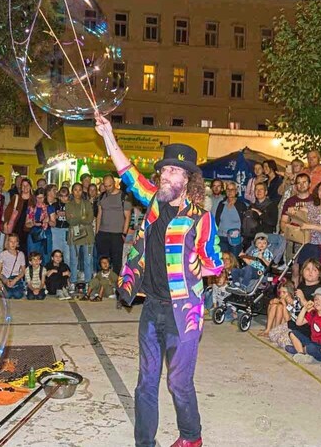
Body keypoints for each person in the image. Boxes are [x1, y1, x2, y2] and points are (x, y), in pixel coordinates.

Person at [96, 115, 223, 447]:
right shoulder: (154, 201)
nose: (164, 175)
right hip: (152, 308)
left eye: (171, 171)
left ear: (187, 179)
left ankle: (191, 437)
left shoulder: (201, 218)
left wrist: (202, 264)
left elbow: (216, 261)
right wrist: (108, 135)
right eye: (163, 171)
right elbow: (128, 173)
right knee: (145, 384)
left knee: (178, 384)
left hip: (184, 314)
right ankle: (144, 443)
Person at [286, 287, 321, 363]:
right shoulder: (312, 313)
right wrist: (304, 309)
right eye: (316, 299)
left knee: (311, 348)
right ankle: (301, 353)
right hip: (314, 344)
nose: (318, 301)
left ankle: (301, 349)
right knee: (292, 333)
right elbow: (298, 323)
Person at [96, 173, 132, 276]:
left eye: (110, 186)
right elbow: (99, 214)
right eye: (105, 186)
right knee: (102, 260)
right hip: (103, 233)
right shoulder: (102, 196)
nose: (107, 188)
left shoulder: (123, 197)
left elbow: (127, 217)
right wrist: (97, 232)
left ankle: (116, 284)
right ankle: (101, 282)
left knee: (116, 261)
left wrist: (124, 234)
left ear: (114, 183)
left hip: (117, 234)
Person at [66, 183, 95, 285]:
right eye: (75, 190)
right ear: (72, 191)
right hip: (74, 235)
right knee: (74, 260)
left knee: (88, 260)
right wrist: (82, 217)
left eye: (79, 190)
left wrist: (76, 217)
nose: (77, 192)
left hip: (88, 236)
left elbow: (90, 219)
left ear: (82, 191)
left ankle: (88, 283)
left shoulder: (87, 203)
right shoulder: (69, 204)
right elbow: (70, 221)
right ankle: (73, 282)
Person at [214, 181, 247, 256]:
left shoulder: (241, 205)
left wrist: (242, 237)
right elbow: (217, 220)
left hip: (235, 239)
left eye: (232, 190)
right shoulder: (221, 204)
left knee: (233, 262)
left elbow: (245, 223)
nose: (230, 192)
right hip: (221, 237)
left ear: (236, 191)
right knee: (222, 261)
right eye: (228, 189)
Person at [4, 178, 33, 255]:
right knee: (14, 250)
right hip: (16, 228)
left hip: (28, 229)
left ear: (30, 187)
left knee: (25, 251)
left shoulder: (34, 200)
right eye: (23, 185)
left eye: (27, 185)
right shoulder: (16, 198)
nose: (25, 187)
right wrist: (6, 224)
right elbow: (7, 212)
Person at [25, 188, 52, 264]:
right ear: (35, 197)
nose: (40, 200)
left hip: (46, 234)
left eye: (42, 198)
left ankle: (44, 274)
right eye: (38, 198)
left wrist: (48, 221)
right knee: (33, 257)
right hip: (34, 234)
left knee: (46, 257)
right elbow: (27, 224)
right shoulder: (31, 208)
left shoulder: (49, 208)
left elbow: (54, 223)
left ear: (45, 197)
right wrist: (33, 223)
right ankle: (32, 274)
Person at [0, 234, 26, 299]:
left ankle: (17, 288)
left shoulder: (21, 254)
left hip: (16, 277)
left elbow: (23, 271)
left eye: (15, 242)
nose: (13, 244)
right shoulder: (2, 254)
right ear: (7, 242)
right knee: (8, 295)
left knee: (17, 295)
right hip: (6, 277)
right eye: (11, 241)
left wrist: (15, 280)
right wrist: (5, 281)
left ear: (17, 243)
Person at [49, 187, 71, 268]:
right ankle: (55, 272)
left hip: (67, 230)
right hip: (56, 230)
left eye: (65, 196)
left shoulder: (72, 205)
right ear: (59, 196)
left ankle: (67, 273)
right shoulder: (55, 205)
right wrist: (57, 215)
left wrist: (67, 214)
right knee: (56, 252)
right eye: (61, 196)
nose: (63, 198)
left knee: (67, 254)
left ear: (68, 196)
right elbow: (51, 218)